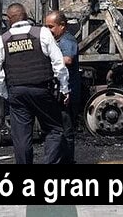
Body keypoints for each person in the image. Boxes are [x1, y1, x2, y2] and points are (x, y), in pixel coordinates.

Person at [0, 3, 69, 164]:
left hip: (17, 93)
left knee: (21, 138)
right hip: (42, 90)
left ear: (9, 19)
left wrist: (5, 93)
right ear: (26, 16)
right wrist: (64, 88)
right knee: (54, 130)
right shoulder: (42, 33)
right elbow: (59, 64)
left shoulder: (1, 40)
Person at [44, 10, 80, 164]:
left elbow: (68, 59)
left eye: (51, 26)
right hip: (62, 90)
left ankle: (67, 160)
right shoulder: (57, 40)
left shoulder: (67, 40)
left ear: (62, 26)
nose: (48, 30)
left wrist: (47, 59)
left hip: (68, 91)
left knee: (66, 129)